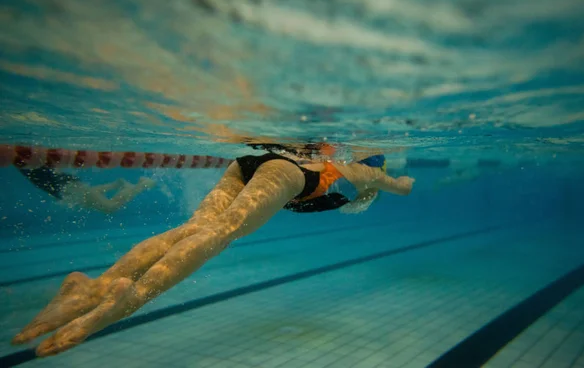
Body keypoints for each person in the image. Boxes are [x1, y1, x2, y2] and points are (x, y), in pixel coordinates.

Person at [11, 151, 414, 357]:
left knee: (194, 228)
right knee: (221, 234)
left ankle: (89, 289)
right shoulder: (364, 171)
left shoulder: (339, 159)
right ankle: (128, 299)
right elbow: (400, 185)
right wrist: (395, 182)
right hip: (287, 174)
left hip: (248, 162)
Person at [18, 166, 156, 214]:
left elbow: (55, 168)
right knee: (88, 196)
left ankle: (141, 185)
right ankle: (116, 184)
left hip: (66, 186)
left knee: (109, 207)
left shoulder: (26, 157)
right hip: (64, 188)